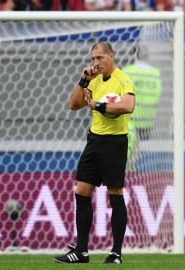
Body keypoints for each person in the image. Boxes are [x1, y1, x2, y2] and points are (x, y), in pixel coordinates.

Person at [53, 41, 135, 264]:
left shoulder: (123, 79)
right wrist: (83, 81)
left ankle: (116, 253)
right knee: (81, 192)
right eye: (93, 59)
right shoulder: (94, 79)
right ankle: (81, 251)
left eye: (100, 58)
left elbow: (128, 106)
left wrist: (99, 106)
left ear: (111, 56)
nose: (96, 63)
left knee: (115, 193)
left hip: (115, 142)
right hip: (94, 140)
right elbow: (74, 104)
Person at [124, 45, 161, 140]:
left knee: (129, 149)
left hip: (130, 118)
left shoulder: (128, 71)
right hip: (148, 118)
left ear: (134, 55)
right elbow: (157, 94)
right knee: (144, 149)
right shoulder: (156, 73)